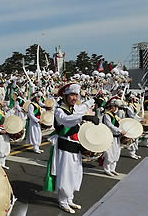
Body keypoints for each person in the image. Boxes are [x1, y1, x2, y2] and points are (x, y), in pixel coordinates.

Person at [45, 83, 97, 214]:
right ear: (65, 96)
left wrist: (92, 101)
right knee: (66, 175)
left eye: (76, 95)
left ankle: (70, 199)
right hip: (65, 146)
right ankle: (63, 201)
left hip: (75, 146)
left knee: (75, 173)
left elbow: (82, 108)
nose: (74, 98)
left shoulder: (74, 109)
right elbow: (66, 120)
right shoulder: (59, 111)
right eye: (72, 95)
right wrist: (84, 117)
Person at [102, 98, 125, 176]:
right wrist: (119, 130)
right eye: (115, 107)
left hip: (116, 137)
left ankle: (112, 169)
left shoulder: (115, 116)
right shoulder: (107, 115)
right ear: (111, 107)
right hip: (110, 136)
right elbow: (109, 125)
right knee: (110, 153)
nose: (116, 109)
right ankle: (107, 169)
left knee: (116, 153)